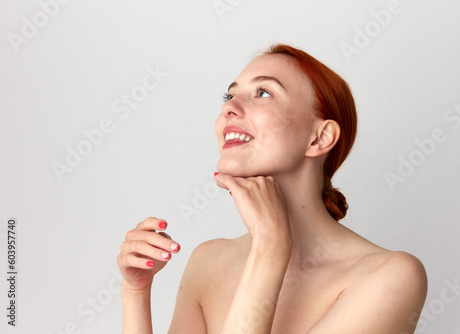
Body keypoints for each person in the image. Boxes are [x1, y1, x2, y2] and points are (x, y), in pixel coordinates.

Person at [117, 44, 428, 334]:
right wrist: (135, 292)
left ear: (319, 138)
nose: (230, 109)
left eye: (263, 93)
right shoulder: (208, 262)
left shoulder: (391, 277)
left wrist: (271, 246)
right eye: (229, 97)